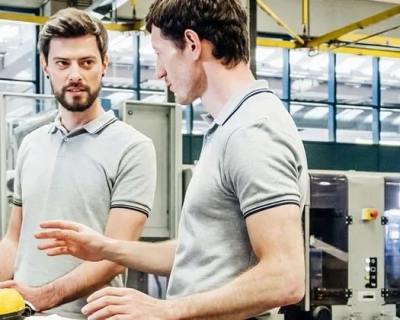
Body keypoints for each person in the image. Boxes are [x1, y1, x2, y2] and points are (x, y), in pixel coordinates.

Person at [36, 0, 308, 319]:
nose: (159, 71)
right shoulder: (230, 128)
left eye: (159, 53)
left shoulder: (253, 131)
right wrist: (106, 247)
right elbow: (201, 254)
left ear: (192, 44)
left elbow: (285, 277)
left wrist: (167, 310)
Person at [0, 8, 156, 319]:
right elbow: (14, 238)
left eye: (86, 62)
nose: (75, 75)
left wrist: (42, 298)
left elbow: (114, 256)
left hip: (89, 315)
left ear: (104, 65)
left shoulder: (134, 148)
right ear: (45, 66)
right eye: (62, 63)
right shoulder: (31, 144)